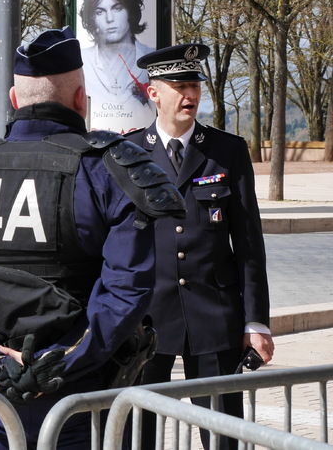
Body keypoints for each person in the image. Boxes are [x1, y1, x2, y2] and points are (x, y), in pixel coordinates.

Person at [0, 27, 184, 449]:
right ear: (80, 100)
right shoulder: (107, 172)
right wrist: (58, 362)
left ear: (15, 101)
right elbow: (126, 290)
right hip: (82, 397)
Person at [127, 44, 273, 450]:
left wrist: (256, 321)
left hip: (213, 315)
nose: (189, 94)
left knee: (223, 434)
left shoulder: (227, 150)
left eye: (194, 84)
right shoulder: (128, 153)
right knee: (137, 431)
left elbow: (248, 242)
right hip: (146, 317)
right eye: (179, 85)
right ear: (153, 91)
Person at [78, 0, 156, 127]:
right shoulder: (81, 61)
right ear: (92, 17)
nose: (109, 19)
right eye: (100, 12)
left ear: (130, 11)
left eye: (117, 8)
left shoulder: (152, 57)